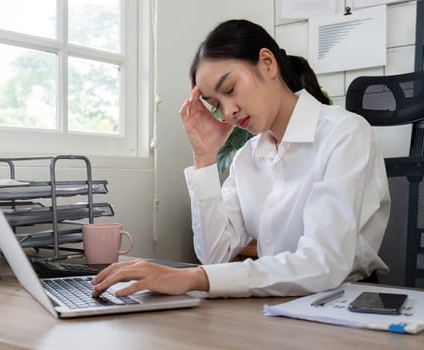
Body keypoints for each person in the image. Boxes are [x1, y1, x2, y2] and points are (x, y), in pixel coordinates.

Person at [91, 19, 390, 298]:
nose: (228, 111)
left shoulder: (345, 133)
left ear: (267, 63)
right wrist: (205, 157)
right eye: (215, 104)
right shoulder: (247, 157)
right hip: (276, 305)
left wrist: (195, 278)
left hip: (345, 303)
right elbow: (214, 255)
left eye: (230, 89)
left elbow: (324, 264)